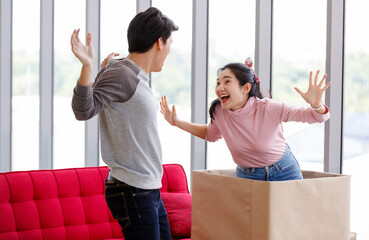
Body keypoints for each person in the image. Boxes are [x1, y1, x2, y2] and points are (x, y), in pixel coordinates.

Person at [70, 7, 178, 240]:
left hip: (147, 188)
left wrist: (100, 70)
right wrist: (87, 68)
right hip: (133, 189)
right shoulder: (122, 72)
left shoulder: (132, 73)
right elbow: (83, 110)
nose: (170, 50)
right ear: (159, 42)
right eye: (170, 43)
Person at [160, 59, 331, 181]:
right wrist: (177, 122)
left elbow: (317, 116)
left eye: (227, 82)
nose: (220, 88)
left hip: (284, 171)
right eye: (218, 83)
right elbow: (210, 134)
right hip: (248, 175)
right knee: (251, 228)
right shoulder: (219, 111)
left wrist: (316, 104)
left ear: (246, 88)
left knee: (291, 224)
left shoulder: (269, 108)